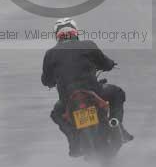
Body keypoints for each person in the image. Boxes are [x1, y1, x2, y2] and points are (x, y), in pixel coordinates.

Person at [41, 18, 133, 156]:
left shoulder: (50, 54)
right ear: (75, 32)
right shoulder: (88, 45)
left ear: (57, 35)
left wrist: (51, 81)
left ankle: (74, 140)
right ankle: (116, 123)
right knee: (117, 93)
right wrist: (110, 64)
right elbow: (105, 63)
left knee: (56, 113)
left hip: (68, 100)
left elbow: (46, 80)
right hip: (95, 92)